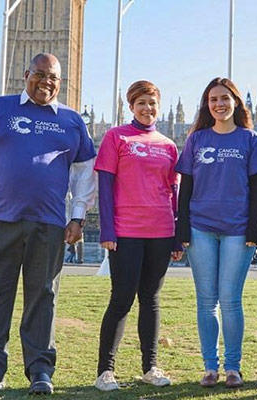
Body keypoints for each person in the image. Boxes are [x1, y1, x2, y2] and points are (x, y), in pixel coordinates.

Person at [0, 53, 96, 396]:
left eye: (53, 78)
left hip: (49, 223)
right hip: (1, 218)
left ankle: (40, 370)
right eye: (40, 74)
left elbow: (85, 172)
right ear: (26, 74)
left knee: (43, 297)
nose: (46, 82)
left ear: (60, 83)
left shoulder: (71, 120)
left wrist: (78, 215)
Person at [176, 77, 257, 389]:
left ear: (236, 102)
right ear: (207, 105)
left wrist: (254, 231)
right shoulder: (196, 139)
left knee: (230, 300)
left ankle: (233, 366)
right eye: (213, 99)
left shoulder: (251, 140)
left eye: (225, 98)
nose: (219, 104)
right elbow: (185, 187)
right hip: (201, 227)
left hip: (237, 229)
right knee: (206, 300)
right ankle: (209, 367)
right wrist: (182, 229)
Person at [93, 80, 181, 392]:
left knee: (151, 299)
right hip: (126, 229)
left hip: (160, 229)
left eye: (152, 103)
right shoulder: (116, 137)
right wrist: (107, 229)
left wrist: (175, 235)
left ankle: (150, 367)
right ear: (131, 106)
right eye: (141, 103)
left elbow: (173, 192)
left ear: (159, 107)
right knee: (121, 298)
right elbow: (105, 186)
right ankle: (105, 371)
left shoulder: (168, 145)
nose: (147, 108)